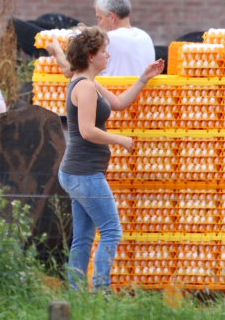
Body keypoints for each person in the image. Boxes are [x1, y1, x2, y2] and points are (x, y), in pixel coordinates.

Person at [59, 24, 164, 291]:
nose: (108, 55)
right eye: (104, 51)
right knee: (111, 231)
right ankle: (101, 291)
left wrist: (144, 78)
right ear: (90, 56)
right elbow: (87, 131)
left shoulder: (88, 83)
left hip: (78, 172)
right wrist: (119, 139)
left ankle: (76, 294)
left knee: (83, 237)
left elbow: (118, 104)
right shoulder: (84, 87)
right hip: (84, 173)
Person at [47, 0, 154, 78]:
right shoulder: (145, 37)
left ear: (111, 17)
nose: (99, 24)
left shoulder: (107, 40)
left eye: (100, 18)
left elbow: (69, 70)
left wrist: (57, 50)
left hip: (114, 96)